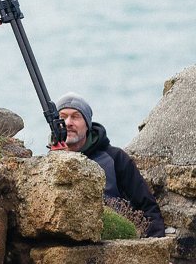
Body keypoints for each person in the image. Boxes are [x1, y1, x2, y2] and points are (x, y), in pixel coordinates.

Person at [56, 93, 166, 238]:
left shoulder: (115, 158)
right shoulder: (51, 163)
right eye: (63, 117)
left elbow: (147, 207)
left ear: (87, 124)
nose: (68, 122)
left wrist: (158, 252)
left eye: (75, 116)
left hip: (115, 245)